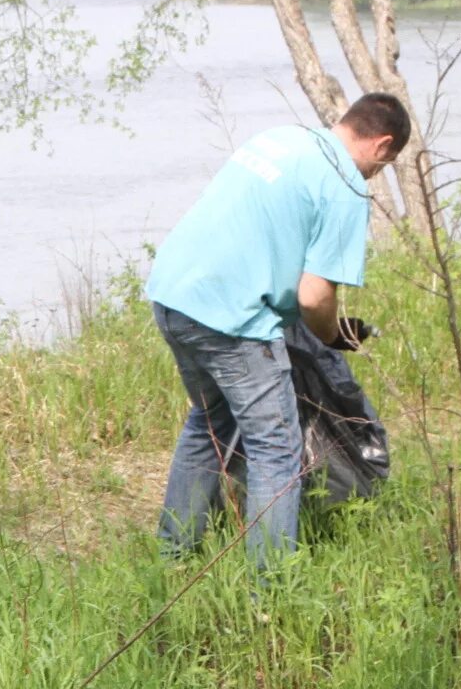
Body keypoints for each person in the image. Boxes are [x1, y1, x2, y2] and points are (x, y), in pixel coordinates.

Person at [145, 92, 409, 569]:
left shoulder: (278, 138)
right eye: (384, 165)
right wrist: (332, 337)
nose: (376, 174)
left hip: (172, 298)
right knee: (277, 449)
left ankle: (174, 556)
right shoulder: (346, 182)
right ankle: (270, 587)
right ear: (382, 145)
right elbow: (313, 297)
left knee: (209, 422)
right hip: (233, 321)